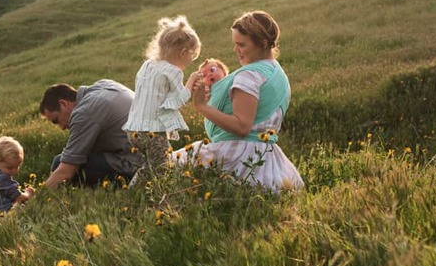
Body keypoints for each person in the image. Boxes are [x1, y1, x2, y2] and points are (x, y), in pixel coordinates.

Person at [175, 11, 304, 192]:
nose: (236, 50)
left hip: (236, 155)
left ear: (263, 44)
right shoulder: (277, 73)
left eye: (241, 44)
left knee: (162, 167)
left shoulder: (249, 75)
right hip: (265, 157)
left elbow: (242, 127)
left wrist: (201, 106)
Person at [123, 16, 202, 178]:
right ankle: (143, 195)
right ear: (183, 53)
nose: (191, 61)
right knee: (162, 167)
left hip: (133, 129)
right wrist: (192, 80)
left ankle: (138, 194)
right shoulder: (173, 71)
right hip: (152, 130)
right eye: (192, 56)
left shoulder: (148, 65)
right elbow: (179, 99)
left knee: (150, 165)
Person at [39, 80, 143, 188]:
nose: (61, 127)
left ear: (64, 104)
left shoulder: (84, 113)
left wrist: (38, 198)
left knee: (58, 164)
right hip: (149, 152)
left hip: (135, 166)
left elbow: (67, 169)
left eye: (56, 120)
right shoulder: (104, 85)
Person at [0, 136, 35, 211]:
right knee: (29, 206)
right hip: (7, 211)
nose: (15, 171)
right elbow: (19, 197)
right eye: (10, 168)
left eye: (17, 166)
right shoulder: (2, 179)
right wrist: (28, 193)